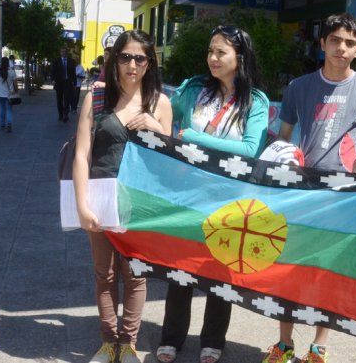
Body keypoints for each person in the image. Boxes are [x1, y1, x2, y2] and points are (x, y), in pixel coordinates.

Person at [262, 13, 356, 363]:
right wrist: (282, 161)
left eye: (349, 43)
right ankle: (284, 344)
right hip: (300, 191)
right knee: (288, 268)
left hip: (342, 195)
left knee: (328, 271)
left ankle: (318, 346)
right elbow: (283, 136)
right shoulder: (299, 87)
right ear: (323, 44)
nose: (341, 48)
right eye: (335, 40)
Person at [156, 25, 270, 363]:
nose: (213, 58)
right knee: (181, 269)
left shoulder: (256, 100)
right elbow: (164, 115)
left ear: (240, 57)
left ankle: (213, 340)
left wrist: (194, 137)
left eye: (221, 52)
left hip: (230, 197)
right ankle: (171, 338)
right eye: (210, 51)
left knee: (222, 269)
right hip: (187, 194)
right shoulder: (192, 90)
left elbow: (250, 148)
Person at [73, 30, 173, 363]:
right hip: (101, 197)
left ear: (150, 63)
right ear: (115, 59)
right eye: (125, 57)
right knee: (105, 274)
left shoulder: (160, 102)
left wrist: (158, 129)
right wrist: (81, 204)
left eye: (140, 58)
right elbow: (81, 155)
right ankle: (107, 342)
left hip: (140, 203)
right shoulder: (97, 98)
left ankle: (127, 343)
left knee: (135, 274)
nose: (132, 64)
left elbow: (171, 162)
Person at [52, 47, 76, 122]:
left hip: (67, 82)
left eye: (65, 52)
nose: (64, 53)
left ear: (67, 53)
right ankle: (60, 114)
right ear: (60, 52)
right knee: (59, 100)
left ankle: (66, 114)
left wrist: (74, 82)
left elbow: (73, 72)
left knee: (67, 99)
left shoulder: (71, 61)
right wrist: (53, 80)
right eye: (62, 52)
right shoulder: (56, 61)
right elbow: (53, 71)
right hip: (59, 83)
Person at [0, 56, 17, 133]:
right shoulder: (12, 72)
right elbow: (15, 83)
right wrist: (16, 91)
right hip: (9, 93)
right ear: (8, 63)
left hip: (0, 92)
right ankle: (9, 124)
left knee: (2, 108)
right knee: (9, 109)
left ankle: (2, 124)